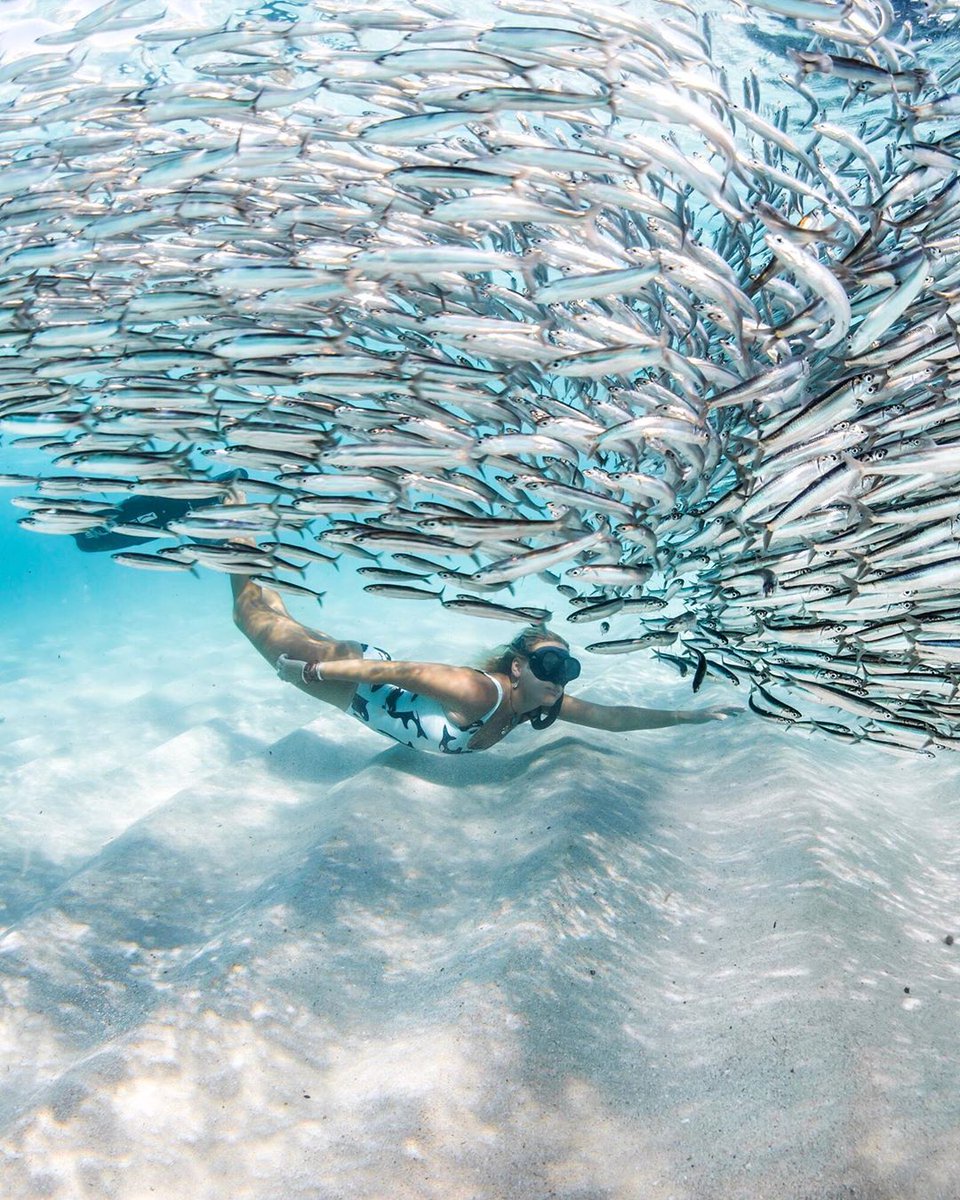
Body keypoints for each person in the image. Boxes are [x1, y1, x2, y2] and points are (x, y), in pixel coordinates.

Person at [231, 571, 742, 756]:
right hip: (351, 678)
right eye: (550, 665)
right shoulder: (482, 692)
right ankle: (226, 520)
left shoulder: (535, 703)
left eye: (567, 670)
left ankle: (247, 539)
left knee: (272, 610)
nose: (558, 681)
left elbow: (614, 717)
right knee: (249, 613)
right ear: (518, 667)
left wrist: (690, 716)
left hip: (356, 676)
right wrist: (315, 673)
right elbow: (398, 672)